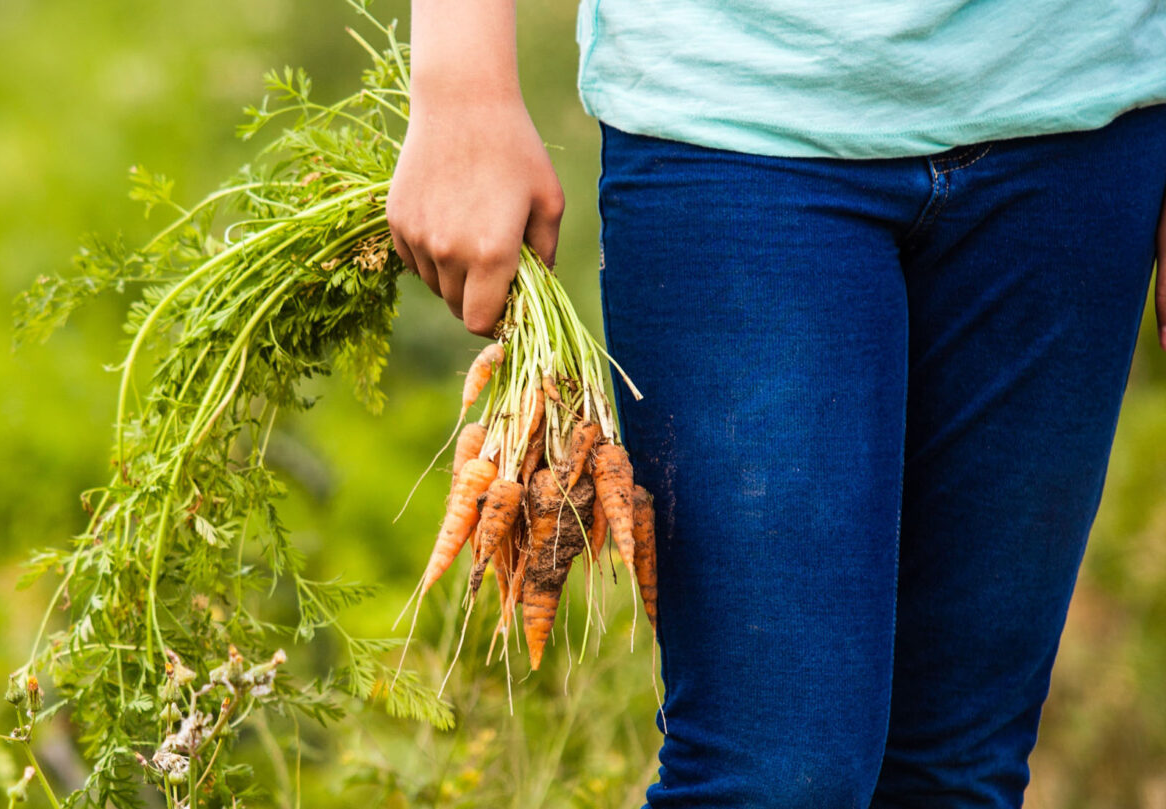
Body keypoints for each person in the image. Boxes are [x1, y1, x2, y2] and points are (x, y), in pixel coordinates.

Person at [385, 1, 1166, 806]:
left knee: (957, 772)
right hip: (737, 108)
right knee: (771, 779)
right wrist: (461, 84)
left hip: (1080, 111)